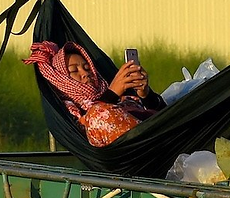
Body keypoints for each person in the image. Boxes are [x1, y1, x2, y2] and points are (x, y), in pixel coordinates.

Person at [25, 41, 166, 146]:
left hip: (162, 137)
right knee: (97, 114)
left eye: (87, 68)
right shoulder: (69, 108)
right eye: (74, 71)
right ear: (62, 79)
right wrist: (112, 93)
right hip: (134, 150)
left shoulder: (123, 96)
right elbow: (87, 125)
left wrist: (145, 94)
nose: (85, 73)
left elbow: (164, 115)